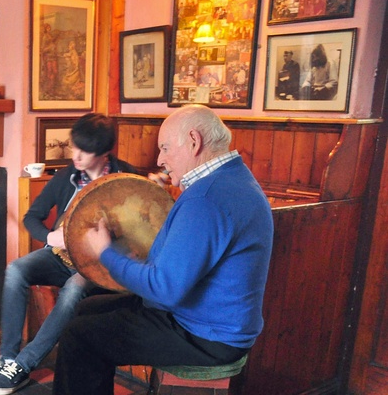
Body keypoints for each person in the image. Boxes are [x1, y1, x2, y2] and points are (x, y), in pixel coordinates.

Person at [53, 105, 274, 394]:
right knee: (86, 309)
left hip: (205, 335)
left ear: (194, 141)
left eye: (165, 148)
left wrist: (106, 252)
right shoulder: (233, 179)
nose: (160, 159)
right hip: (204, 318)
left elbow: (164, 288)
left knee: (79, 336)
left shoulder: (207, 198)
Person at [0, 114, 139, 395]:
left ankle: (23, 366)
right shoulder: (66, 177)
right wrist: (51, 236)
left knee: (74, 289)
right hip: (60, 255)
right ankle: (7, 356)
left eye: (84, 151)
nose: (76, 155)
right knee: (16, 269)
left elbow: (140, 230)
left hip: (100, 265)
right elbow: (32, 217)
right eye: (74, 147)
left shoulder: (127, 178)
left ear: (104, 152)